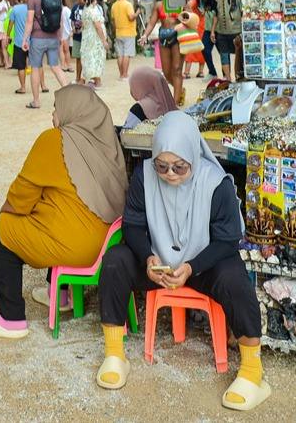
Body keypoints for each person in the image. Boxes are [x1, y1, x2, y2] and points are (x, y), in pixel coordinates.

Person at [94, 111, 270, 410]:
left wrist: (191, 267)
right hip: (159, 265)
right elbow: (133, 225)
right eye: (162, 166)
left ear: (193, 156)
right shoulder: (144, 176)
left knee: (234, 277)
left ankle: (253, 372)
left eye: (179, 167)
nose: (170, 174)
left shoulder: (216, 184)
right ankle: (114, 355)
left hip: (201, 264)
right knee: (115, 260)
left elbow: (227, 240)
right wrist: (148, 258)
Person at [0, 85, 126, 339]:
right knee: (57, 208)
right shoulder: (107, 142)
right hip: (108, 244)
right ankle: (60, 294)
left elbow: (21, 196)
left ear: (72, 111)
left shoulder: (54, 140)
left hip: (75, 247)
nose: (53, 115)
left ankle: (11, 318)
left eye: (56, 108)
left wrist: (8, 214)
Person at [22, 0, 68, 108]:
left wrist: (25, 39)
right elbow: (60, 19)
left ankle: (36, 101)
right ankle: (70, 95)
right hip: (53, 37)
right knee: (56, 67)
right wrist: (60, 36)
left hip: (38, 38)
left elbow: (29, 20)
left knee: (35, 68)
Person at [141, 0, 184, 108]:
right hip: (164, 37)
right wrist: (145, 35)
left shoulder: (181, 2)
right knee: (166, 72)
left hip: (178, 37)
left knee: (177, 69)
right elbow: (152, 23)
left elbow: (190, 18)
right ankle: (179, 89)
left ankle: (174, 104)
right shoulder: (159, 5)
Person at [77, 0, 108, 88]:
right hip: (95, 38)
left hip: (87, 37)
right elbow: (98, 26)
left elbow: (83, 24)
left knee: (88, 57)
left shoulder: (85, 10)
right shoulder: (93, 11)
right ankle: (97, 80)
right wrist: (104, 40)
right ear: (94, 0)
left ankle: (85, 78)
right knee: (96, 57)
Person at [212, 0, 241, 83]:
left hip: (236, 31)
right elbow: (216, 15)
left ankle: (238, 77)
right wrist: (212, 31)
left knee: (239, 56)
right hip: (222, 32)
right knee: (224, 56)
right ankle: (228, 80)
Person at [110, 0, 138, 81]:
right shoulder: (128, 4)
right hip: (128, 32)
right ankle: (125, 74)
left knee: (120, 55)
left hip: (119, 32)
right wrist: (137, 13)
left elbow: (113, 20)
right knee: (127, 54)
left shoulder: (114, 6)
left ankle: (121, 74)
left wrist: (115, 30)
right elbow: (131, 17)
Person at [8, 0, 31, 94]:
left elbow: (10, 24)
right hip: (32, 41)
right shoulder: (33, 10)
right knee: (37, 65)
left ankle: (23, 87)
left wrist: (8, 34)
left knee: (21, 66)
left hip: (19, 42)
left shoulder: (15, 9)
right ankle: (42, 86)